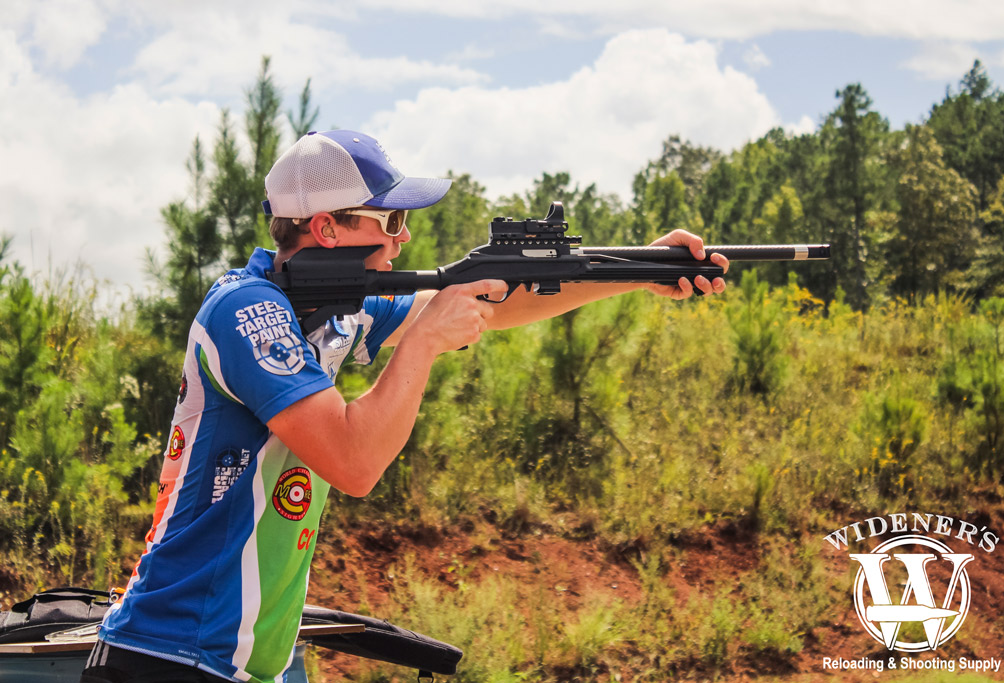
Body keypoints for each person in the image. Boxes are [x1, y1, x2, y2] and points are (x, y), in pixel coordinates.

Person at [82, 129, 728, 683]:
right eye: (388, 220)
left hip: (240, 660)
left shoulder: (329, 308)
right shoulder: (249, 311)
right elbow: (355, 461)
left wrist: (636, 270)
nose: (404, 235)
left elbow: (493, 306)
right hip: (173, 651)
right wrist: (419, 344)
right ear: (326, 226)